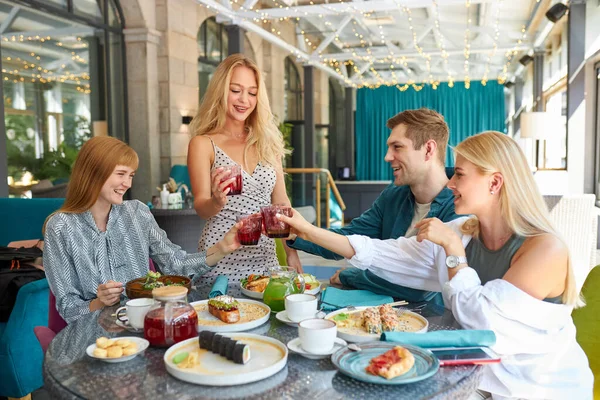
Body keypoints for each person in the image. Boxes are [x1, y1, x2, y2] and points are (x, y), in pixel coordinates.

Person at [277, 131, 593, 399]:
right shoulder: (464, 230)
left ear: (494, 183)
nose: (451, 183)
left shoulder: (545, 249)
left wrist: (455, 254)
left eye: (460, 174)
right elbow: (381, 253)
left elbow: (485, 326)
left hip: (537, 389)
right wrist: (308, 230)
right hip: (478, 382)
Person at [43, 137, 242, 323]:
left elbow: (175, 264)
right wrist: (100, 301)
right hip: (95, 335)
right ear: (93, 172)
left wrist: (224, 247)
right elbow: (68, 307)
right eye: (120, 174)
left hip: (145, 327)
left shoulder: (137, 212)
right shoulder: (60, 227)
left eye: (130, 175)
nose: (127, 184)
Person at [288, 108, 461, 302]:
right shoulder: (394, 195)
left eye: (397, 147)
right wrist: (295, 232)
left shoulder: (460, 205)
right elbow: (348, 239)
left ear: (428, 149)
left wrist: (353, 276)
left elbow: (417, 285)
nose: (387, 157)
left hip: (429, 319)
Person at [187, 53, 301, 284]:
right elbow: (201, 207)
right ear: (221, 90)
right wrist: (216, 201)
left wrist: (291, 251)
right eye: (236, 90)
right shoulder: (202, 143)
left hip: (265, 257)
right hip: (221, 255)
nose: (244, 100)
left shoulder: (268, 142)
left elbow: (281, 204)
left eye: (252, 92)